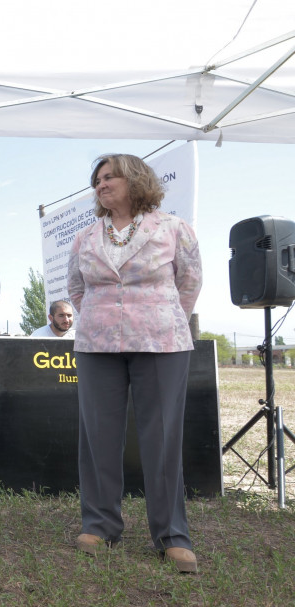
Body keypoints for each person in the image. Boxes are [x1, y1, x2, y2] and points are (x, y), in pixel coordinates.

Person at [67, 153, 202, 573]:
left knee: (161, 438)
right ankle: (100, 524)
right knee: (98, 437)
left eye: (110, 177)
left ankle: (171, 536)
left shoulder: (174, 228)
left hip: (161, 341)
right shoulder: (85, 236)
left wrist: (156, 316)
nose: (101, 185)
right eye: (97, 180)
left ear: (136, 180)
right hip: (97, 343)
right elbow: (75, 289)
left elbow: (189, 282)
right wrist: (104, 318)